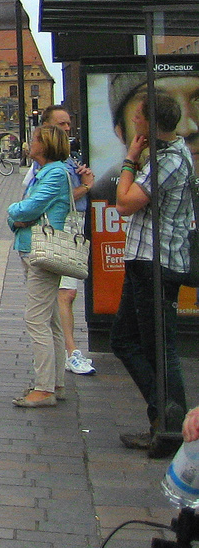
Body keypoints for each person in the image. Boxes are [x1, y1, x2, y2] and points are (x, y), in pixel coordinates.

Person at [111, 90, 193, 455]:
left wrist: (130, 158)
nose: (135, 123)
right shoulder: (163, 156)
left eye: (139, 117)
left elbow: (125, 203)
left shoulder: (169, 160)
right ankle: (163, 419)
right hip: (144, 261)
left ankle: (171, 425)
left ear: (149, 122)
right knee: (126, 341)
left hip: (156, 264)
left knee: (160, 346)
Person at [6, 123, 74, 408]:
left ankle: (44, 388)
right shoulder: (46, 173)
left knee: (35, 319)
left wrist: (12, 212)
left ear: (44, 145)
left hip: (42, 252)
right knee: (51, 320)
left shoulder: (55, 173)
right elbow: (28, 211)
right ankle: (55, 382)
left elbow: (29, 208)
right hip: (35, 248)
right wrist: (18, 218)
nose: (29, 143)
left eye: (33, 139)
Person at [34, 105, 96, 377]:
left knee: (61, 295)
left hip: (72, 228)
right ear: (47, 127)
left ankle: (61, 358)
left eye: (69, 123)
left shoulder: (69, 159)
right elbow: (61, 195)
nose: (67, 128)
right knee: (64, 294)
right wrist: (87, 185)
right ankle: (70, 353)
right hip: (60, 231)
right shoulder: (52, 165)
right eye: (61, 124)